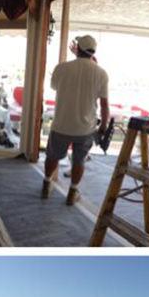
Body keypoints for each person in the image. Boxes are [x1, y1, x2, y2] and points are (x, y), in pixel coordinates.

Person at [42, 35, 109, 206]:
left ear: (77, 49)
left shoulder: (61, 68)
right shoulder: (101, 73)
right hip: (85, 128)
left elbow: (55, 86)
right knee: (79, 161)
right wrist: (104, 128)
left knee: (52, 155)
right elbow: (104, 105)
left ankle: (46, 184)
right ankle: (72, 193)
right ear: (93, 52)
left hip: (61, 124)